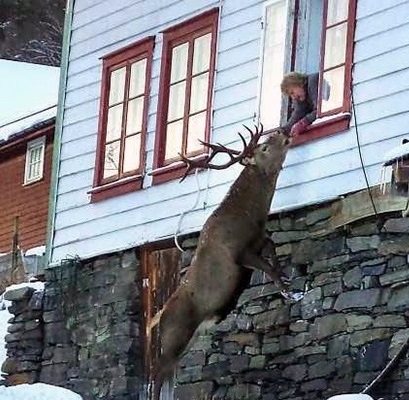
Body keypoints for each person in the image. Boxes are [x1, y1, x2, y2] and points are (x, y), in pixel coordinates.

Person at [280, 71, 319, 136]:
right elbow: (298, 114)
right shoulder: (301, 97)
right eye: (290, 96)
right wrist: (283, 131)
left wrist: (303, 123)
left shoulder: (313, 81)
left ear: (298, 83)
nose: (293, 97)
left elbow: (320, 110)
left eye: (292, 92)